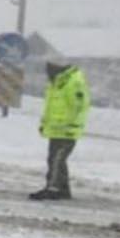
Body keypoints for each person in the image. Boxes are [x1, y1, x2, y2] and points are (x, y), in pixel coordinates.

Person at [31, 60, 90, 200]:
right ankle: (62, 189)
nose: (47, 75)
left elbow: (79, 106)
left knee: (58, 159)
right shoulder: (57, 84)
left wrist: (71, 124)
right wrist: (45, 125)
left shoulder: (72, 83)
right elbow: (51, 108)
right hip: (56, 130)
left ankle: (54, 188)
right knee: (54, 159)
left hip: (67, 130)